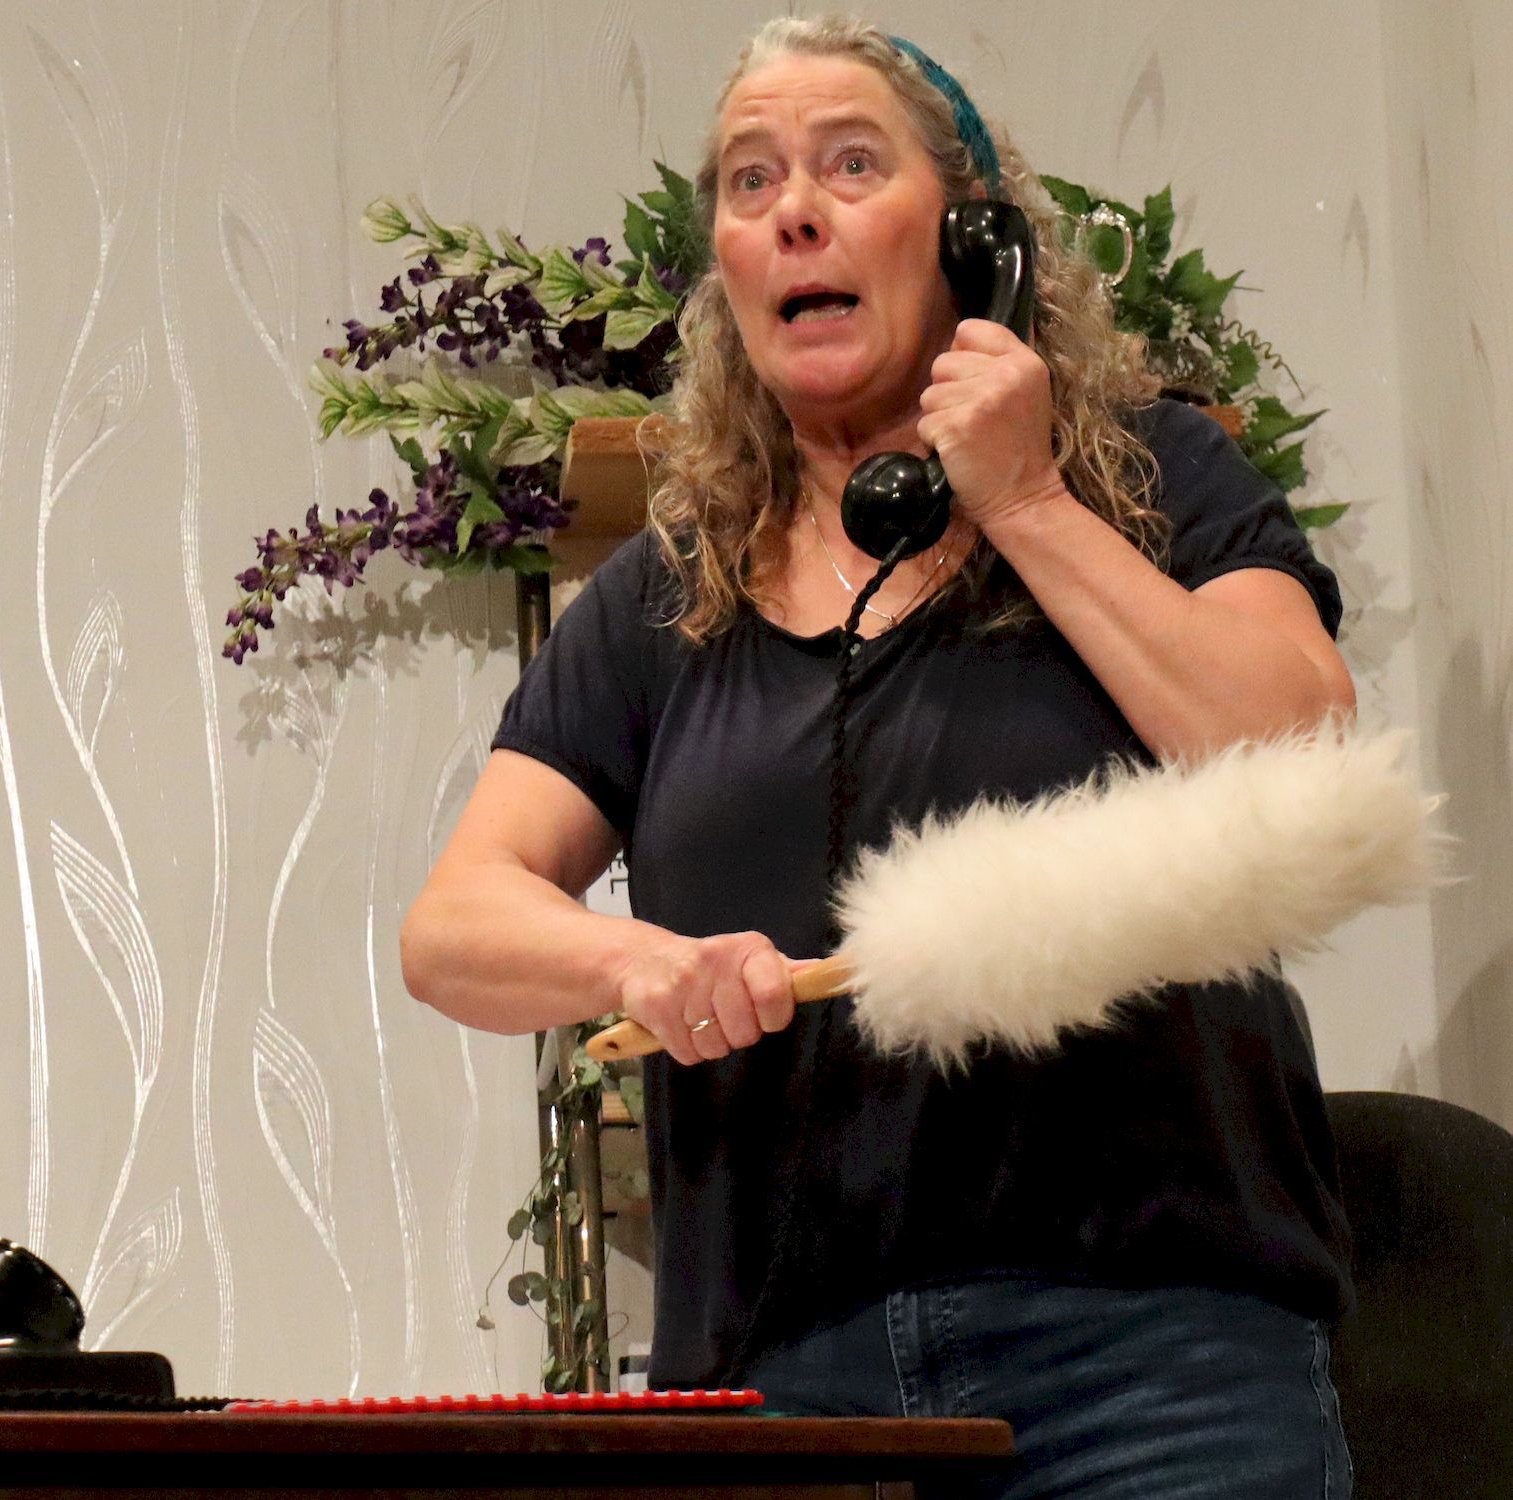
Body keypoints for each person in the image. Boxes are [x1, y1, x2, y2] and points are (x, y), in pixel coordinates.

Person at [403, 14, 1362, 1497]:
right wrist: (637, 966)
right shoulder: (660, 600)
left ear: (975, 237)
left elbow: (1297, 749)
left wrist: (1026, 502)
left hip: (1153, 1373)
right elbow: (453, 927)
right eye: (750, 179)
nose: (794, 208)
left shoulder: (1154, 480)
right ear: (727, 270)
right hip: (785, 1391)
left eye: (851, 163)